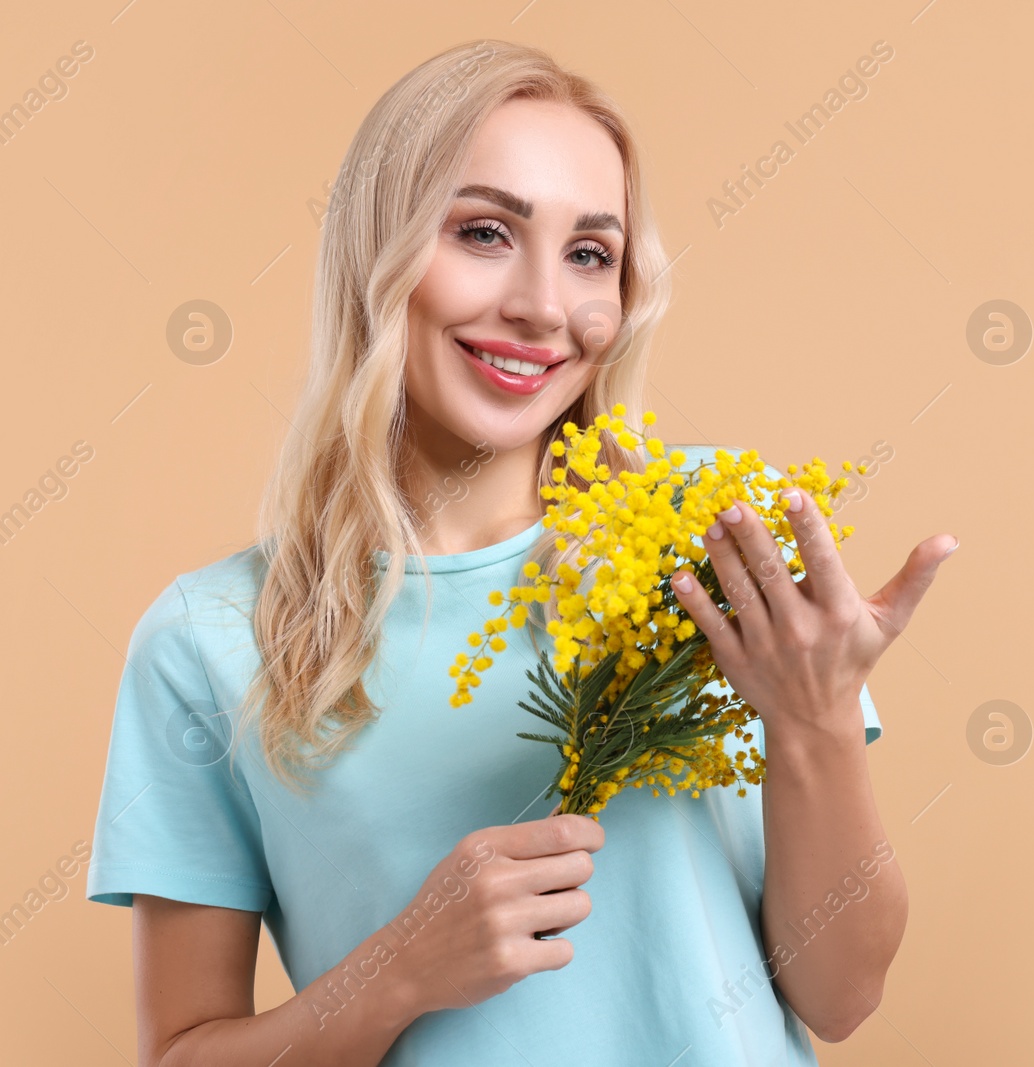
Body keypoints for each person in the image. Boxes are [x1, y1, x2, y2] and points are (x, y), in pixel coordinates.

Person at [85, 38, 956, 1066]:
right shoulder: (210, 639)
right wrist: (398, 967)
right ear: (379, 253)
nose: (544, 306)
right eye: (485, 232)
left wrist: (816, 724)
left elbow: (842, 988)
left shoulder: (720, 535)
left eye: (590, 252)